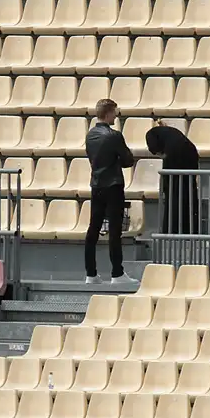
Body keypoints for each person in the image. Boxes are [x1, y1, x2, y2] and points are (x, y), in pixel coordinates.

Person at [85, 99, 135, 284]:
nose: (116, 115)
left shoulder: (90, 135)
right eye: (114, 112)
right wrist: (118, 160)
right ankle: (117, 273)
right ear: (108, 113)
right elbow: (128, 160)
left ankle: (91, 273)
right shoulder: (114, 135)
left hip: (96, 184)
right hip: (113, 185)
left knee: (94, 228)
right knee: (114, 230)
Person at [146, 122, 200, 234]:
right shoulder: (168, 133)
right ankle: (190, 228)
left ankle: (171, 229)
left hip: (176, 155)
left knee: (173, 192)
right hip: (190, 153)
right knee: (188, 190)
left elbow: (156, 150)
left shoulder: (151, 134)